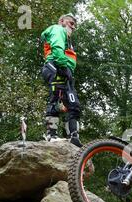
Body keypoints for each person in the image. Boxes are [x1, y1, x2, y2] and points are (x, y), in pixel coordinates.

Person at [41, 13, 82, 147]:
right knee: (55, 100)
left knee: (72, 105)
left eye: (74, 25)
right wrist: (63, 67)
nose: (73, 27)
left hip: (64, 71)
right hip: (57, 67)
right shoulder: (58, 29)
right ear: (62, 21)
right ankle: (51, 135)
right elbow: (57, 49)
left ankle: (73, 137)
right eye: (71, 23)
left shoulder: (66, 39)